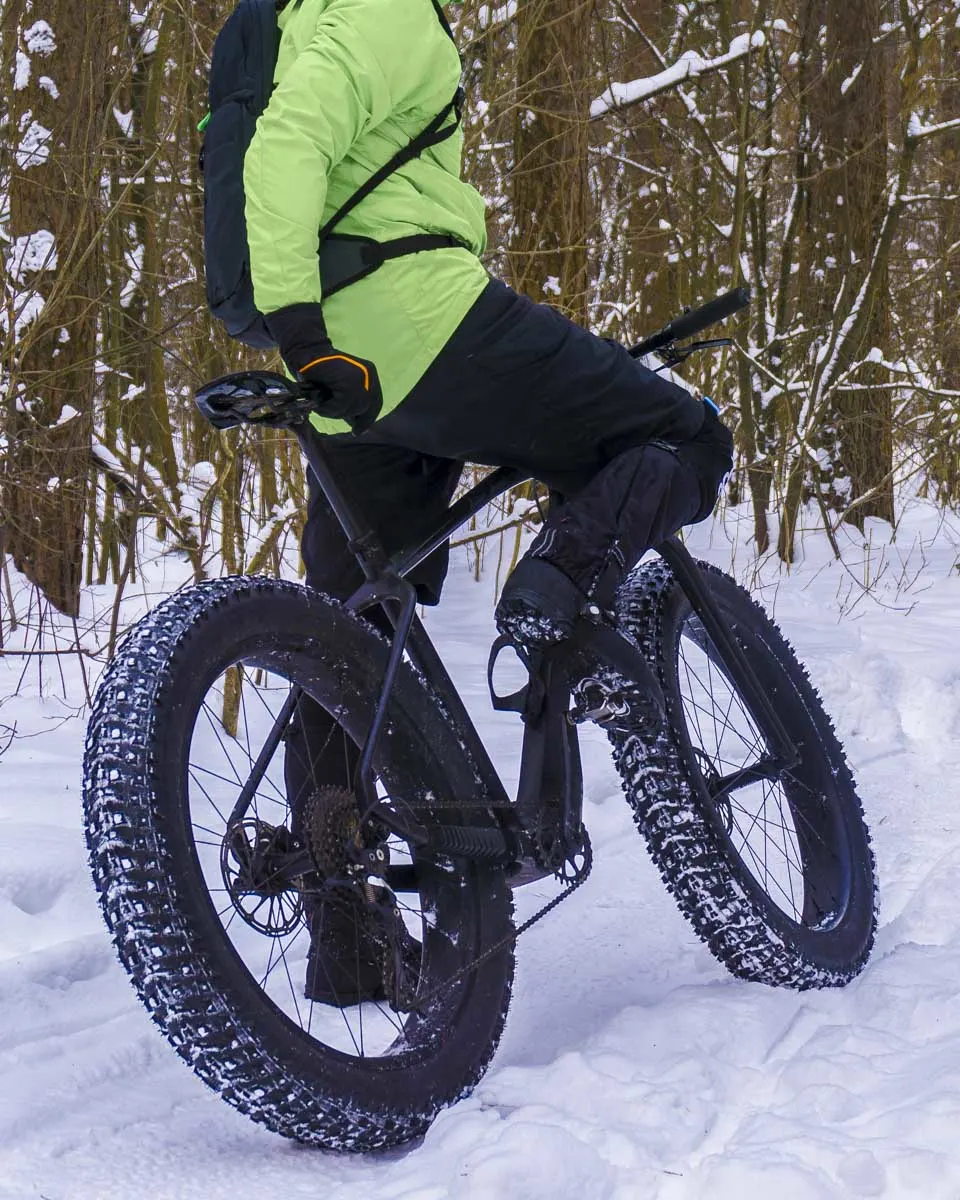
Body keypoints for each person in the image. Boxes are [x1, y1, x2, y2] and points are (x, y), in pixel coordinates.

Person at [244, 0, 733, 1004]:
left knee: (353, 639)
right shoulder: (378, 12)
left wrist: (307, 337)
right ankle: (555, 587)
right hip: (414, 325)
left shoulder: (284, 30)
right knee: (685, 434)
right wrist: (297, 325)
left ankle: (349, 939)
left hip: (346, 380)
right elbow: (291, 143)